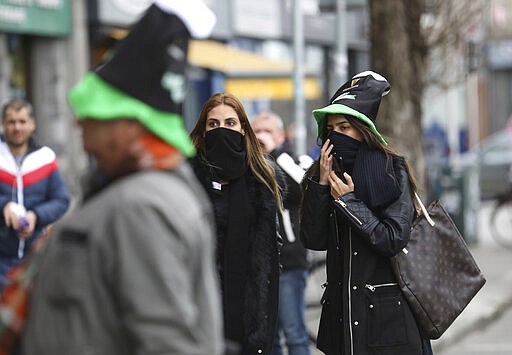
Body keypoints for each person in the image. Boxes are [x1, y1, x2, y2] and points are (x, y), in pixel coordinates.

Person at [21, 1, 224, 355]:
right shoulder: (137, 195)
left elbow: (167, 344)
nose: (78, 125)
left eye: (93, 117)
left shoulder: (141, 207)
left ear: (129, 126)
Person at [300, 71, 433, 355]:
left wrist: (349, 202)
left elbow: (393, 238)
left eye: (345, 128)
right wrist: (322, 187)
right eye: (331, 129)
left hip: (387, 321)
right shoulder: (325, 175)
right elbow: (313, 238)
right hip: (342, 318)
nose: (336, 135)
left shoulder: (390, 170)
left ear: (364, 131)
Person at [189, 93, 282, 355]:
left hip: (249, 311)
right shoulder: (187, 180)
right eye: (213, 124)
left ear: (243, 129)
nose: (222, 130)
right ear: (204, 131)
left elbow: (269, 258)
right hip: (199, 310)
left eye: (230, 123)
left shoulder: (261, 182)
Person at [252, 111, 311, 355]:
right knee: (267, 338)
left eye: (267, 131)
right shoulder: (247, 164)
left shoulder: (293, 160)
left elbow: (301, 186)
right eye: (256, 132)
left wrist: (275, 154)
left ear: (281, 136)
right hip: (256, 265)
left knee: (294, 334)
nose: (261, 137)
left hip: (288, 261)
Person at [0, 99, 70, 290]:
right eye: (11, 121)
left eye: (22, 121)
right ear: (3, 124)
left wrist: (35, 216)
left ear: (32, 124)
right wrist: (4, 205)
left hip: (36, 258)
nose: (17, 127)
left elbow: (61, 200)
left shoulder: (45, 158)